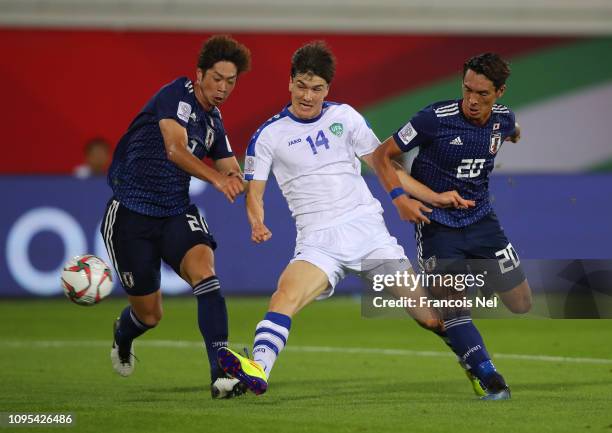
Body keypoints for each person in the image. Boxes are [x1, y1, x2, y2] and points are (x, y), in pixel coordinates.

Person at [216, 41, 473, 396]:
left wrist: (432, 196)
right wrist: (257, 222)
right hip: (318, 241)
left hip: (368, 233)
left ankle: (476, 364)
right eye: (302, 86)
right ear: (290, 83)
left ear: (328, 89)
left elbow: (385, 165)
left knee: (430, 318)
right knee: (283, 298)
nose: (308, 96)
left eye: (317, 88)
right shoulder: (268, 136)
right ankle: (258, 369)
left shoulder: (346, 118)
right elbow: (254, 194)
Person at [372, 52, 533, 400]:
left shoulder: (503, 120)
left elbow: (512, 128)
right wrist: (401, 198)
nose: (472, 100)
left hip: (482, 222)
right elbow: (381, 155)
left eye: (483, 94)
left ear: (500, 92)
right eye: (467, 89)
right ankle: (491, 378)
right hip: (436, 223)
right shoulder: (434, 118)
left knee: (521, 303)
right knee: (452, 303)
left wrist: (516, 132)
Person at [100, 35, 250, 399]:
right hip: (131, 215)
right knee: (150, 315)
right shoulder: (175, 95)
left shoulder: (214, 121)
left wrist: (245, 184)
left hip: (175, 212)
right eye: (217, 78)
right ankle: (123, 333)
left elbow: (232, 168)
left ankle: (222, 375)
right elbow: (175, 149)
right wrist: (217, 179)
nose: (223, 88)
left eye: (231, 82)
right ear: (199, 74)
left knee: (206, 275)